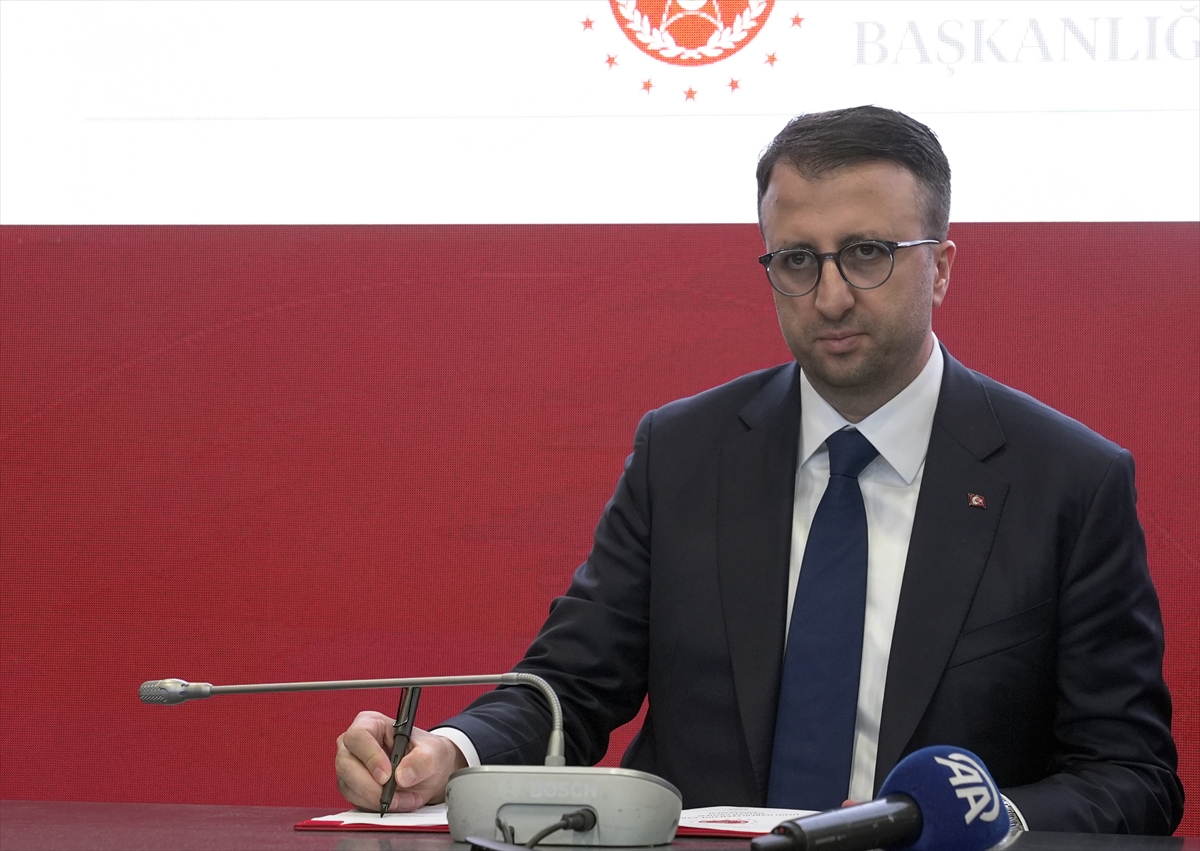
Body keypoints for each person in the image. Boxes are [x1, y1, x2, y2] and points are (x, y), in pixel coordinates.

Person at [335, 106, 1183, 834]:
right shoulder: (683, 452)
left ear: (942, 267)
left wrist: (961, 825)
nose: (831, 296)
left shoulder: (1067, 481)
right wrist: (450, 751)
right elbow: (569, 686)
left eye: (867, 253)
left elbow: (1131, 776)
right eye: (798, 260)